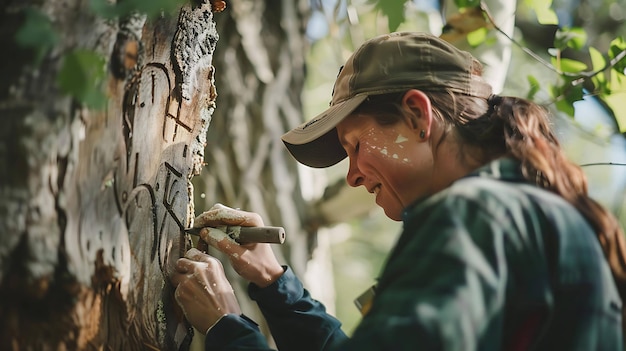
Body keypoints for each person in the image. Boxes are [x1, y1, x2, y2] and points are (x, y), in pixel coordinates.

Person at [169, 32, 626, 350]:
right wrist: (273, 285)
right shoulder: (520, 217)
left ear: (417, 116)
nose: (352, 175)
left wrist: (227, 327)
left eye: (355, 145)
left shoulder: (475, 217)